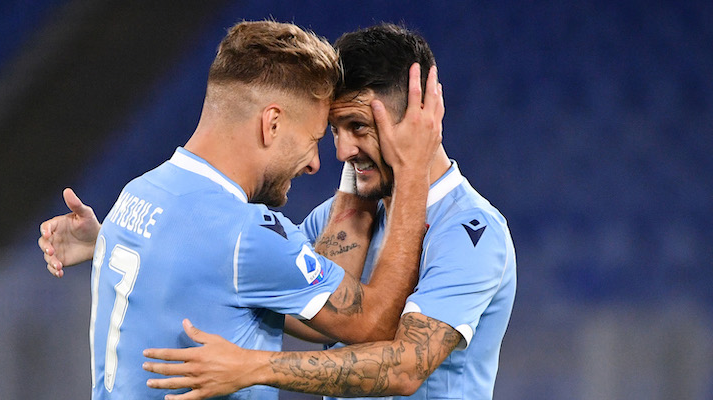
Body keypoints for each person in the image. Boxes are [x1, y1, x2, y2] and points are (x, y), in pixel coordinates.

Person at [37, 21, 445, 399]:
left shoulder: (140, 193)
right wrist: (411, 170)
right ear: (272, 124)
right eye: (313, 138)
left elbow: (313, 314)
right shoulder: (246, 234)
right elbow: (373, 322)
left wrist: (105, 238)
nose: (315, 163)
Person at [140, 24, 517, 400]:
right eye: (335, 130)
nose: (342, 151)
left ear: (416, 124)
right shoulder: (336, 216)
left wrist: (252, 367)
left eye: (358, 127)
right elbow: (306, 311)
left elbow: (406, 368)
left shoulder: (472, 233)